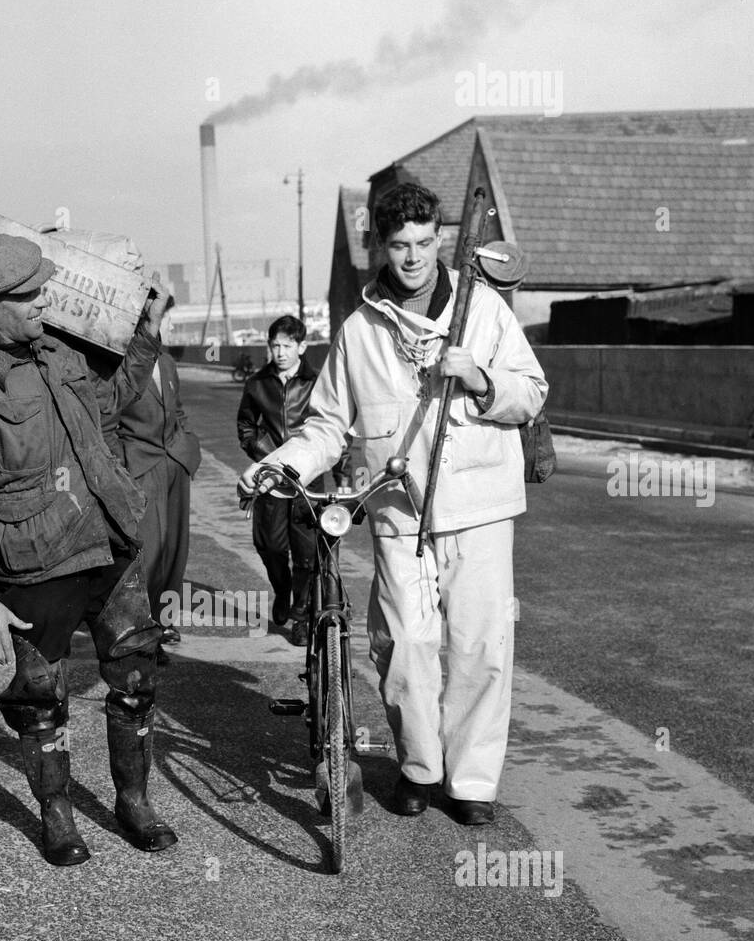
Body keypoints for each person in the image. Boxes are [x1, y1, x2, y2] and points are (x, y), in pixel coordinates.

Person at [238, 182, 548, 826]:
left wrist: (479, 377)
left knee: (480, 645)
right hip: (397, 507)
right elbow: (327, 425)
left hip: (480, 504)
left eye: (426, 243)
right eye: (401, 245)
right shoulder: (359, 331)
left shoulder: (483, 308)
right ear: (381, 245)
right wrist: (278, 465)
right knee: (403, 645)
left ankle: (471, 781)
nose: (414, 257)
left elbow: (531, 392)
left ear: (440, 240)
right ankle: (419, 766)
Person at [0, 233, 178, 866]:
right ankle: (58, 816)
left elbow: (110, 401)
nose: (45, 301)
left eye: (44, 288)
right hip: (35, 563)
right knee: (42, 698)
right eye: (30, 295)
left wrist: (147, 331)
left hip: (107, 542)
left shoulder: (59, 353)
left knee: (136, 676)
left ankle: (134, 803)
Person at [110, 296, 201, 663]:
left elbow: (178, 412)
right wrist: (123, 466)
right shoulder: (122, 364)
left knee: (176, 550)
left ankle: (165, 622)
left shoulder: (167, 362)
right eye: (163, 318)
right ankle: (143, 634)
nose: (167, 325)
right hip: (141, 467)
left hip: (175, 464)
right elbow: (108, 419)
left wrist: (189, 451)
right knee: (148, 553)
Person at [235, 315, 320, 645]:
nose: (280, 352)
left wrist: (341, 476)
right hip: (271, 479)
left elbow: (333, 429)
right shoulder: (257, 384)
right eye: (275, 346)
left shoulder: (317, 383)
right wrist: (271, 458)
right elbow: (246, 427)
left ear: (302, 346)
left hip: (309, 479)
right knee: (269, 546)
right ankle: (282, 590)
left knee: (307, 554)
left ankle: (301, 615)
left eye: (287, 345)